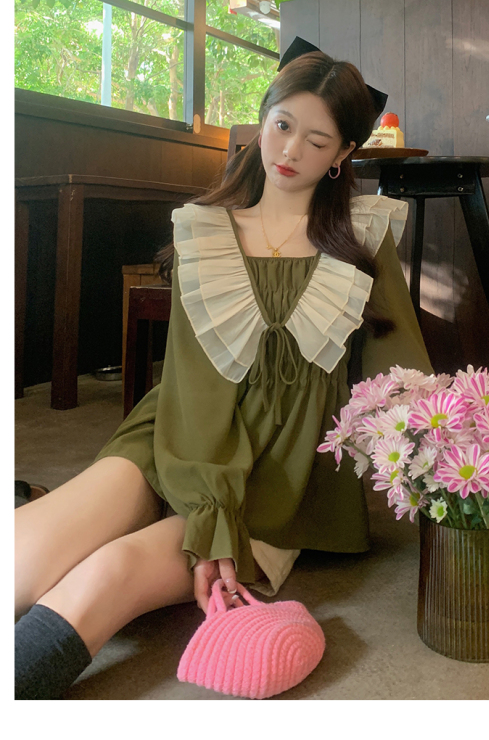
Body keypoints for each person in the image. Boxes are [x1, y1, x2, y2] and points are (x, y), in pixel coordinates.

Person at [14, 36, 433, 699]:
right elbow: (194, 384)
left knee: (108, 575)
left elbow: (400, 374)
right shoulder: (205, 229)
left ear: (342, 154)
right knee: (29, 551)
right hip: (181, 430)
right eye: (281, 125)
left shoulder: (362, 236)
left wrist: (446, 457)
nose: (290, 150)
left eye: (316, 140)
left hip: (278, 472)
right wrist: (207, 506)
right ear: (262, 119)